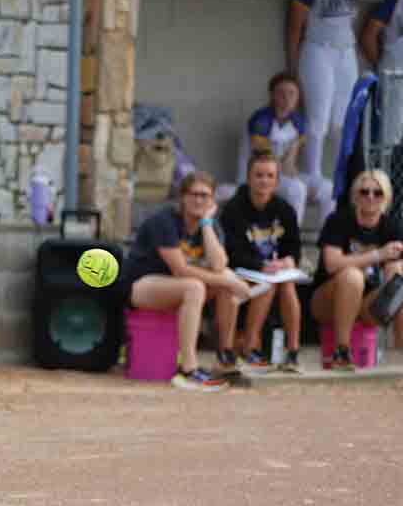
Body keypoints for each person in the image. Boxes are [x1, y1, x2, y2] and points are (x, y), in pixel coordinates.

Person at [121, 171, 253, 392]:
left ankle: (224, 356)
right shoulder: (164, 221)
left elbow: (219, 264)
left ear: (213, 201)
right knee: (196, 286)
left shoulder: (208, 224)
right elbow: (180, 269)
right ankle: (189, 368)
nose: (199, 200)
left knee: (224, 285)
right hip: (141, 286)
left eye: (205, 196)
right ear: (182, 197)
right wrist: (231, 281)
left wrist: (208, 224)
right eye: (194, 194)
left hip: (175, 286)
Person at [310, 169, 403, 370]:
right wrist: (377, 255)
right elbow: (332, 264)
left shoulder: (391, 226)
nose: (370, 197)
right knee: (352, 276)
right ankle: (341, 352)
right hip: (327, 301)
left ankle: (400, 354)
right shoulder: (339, 220)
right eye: (364, 192)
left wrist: (394, 272)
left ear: (385, 197)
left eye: (377, 193)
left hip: (366, 306)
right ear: (355, 195)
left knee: (400, 278)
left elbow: (394, 280)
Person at [220, 153, 304, 373]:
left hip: (273, 272)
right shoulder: (233, 209)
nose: (264, 181)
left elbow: (294, 246)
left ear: (277, 181)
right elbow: (232, 253)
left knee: (286, 284)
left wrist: (289, 260)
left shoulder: (285, 210)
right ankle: (248, 345)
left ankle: (293, 351)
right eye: (258, 175)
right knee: (267, 284)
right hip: (242, 271)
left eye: (269, 176)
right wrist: (262, 266)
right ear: (248, 178)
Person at [234, 72, 336, 227]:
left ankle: (327, 240)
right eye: (281, 93)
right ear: (272, 95)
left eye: (292, 93)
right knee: (297, 188)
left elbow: (291, 162)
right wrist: (295, 178)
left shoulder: (298, 121)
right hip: (258, 176)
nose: (287, 98)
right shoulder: (261, 120)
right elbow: (265, 162)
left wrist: (304, 181)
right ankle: (292, 239)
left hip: (282, 174)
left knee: (328, 189)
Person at [286, 0, 359, 192]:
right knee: (318, 119)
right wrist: (292, 68)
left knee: (343, 122)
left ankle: (342, 178)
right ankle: (313, 175)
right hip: (318, 49)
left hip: (347, 50)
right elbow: (294, 26)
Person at [361, 0, 403, 147]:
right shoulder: (395, 2)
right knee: (392, 130)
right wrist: (381, 66)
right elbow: (368, 36)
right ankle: (389, 166)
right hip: (395, 73)